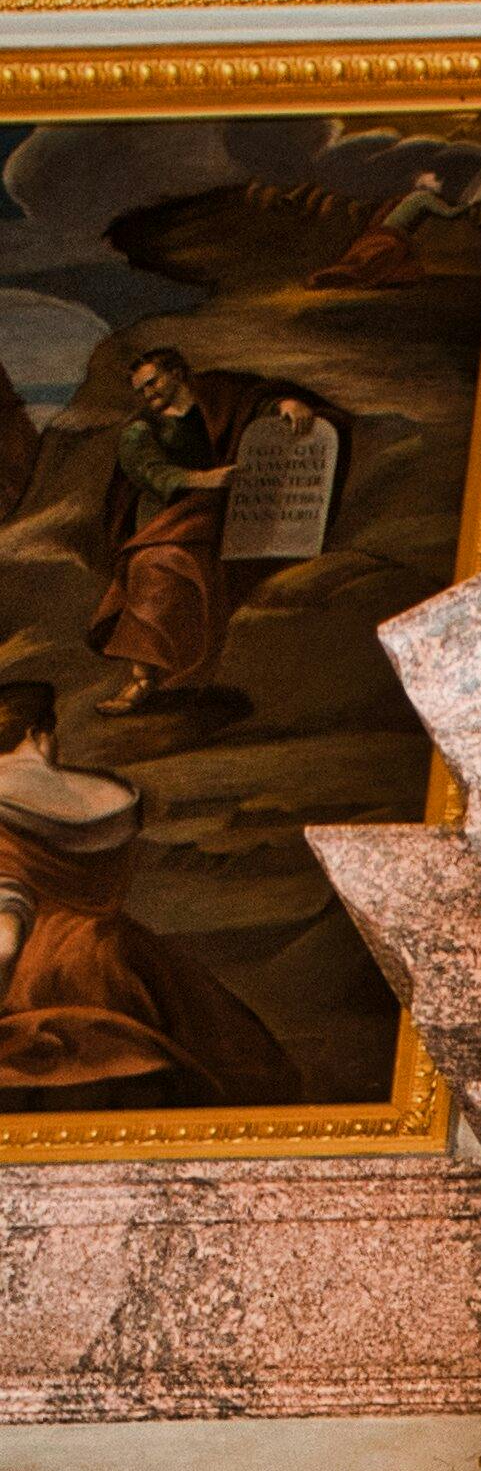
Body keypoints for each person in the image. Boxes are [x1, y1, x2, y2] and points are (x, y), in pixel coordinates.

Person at [0, 677, 294, 1109]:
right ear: (37, 734)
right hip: (119, 961)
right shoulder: (107, 797)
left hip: (38, 982)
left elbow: (4, 939)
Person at [86, 345, 327, 711]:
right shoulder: (139, 431)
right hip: (175, 516)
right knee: (152, 566)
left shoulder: (216, 402)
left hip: (234, 510)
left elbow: (252, 407)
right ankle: (142, 679)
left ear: (178, 373)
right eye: (141, 390)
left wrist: (285, 405)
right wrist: (205, 479)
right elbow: (151, 472)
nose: (147, 394)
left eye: (152, 383)